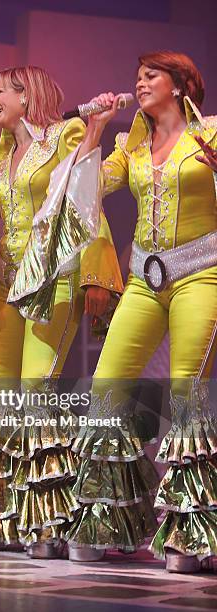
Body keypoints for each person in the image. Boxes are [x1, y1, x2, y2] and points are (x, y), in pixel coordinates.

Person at [0, 66, 123, 558]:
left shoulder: (66, 134)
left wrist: (96, 273)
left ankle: (48, 521)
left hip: (52, 281)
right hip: (4, 285)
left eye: (0, 92)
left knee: (36, 392)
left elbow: (87, 199)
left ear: (25, 94)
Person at [65, 51, 217, 573]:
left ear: (180, 86)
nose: (140, 83)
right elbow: (85, 193)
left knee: (185, 392)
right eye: (137, 76)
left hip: (201, 271)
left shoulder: (212, 133)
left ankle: (191, 530)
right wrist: (96, 128)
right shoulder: (132, 146)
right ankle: (108, 518)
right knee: (108, 385)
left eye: (151, 75)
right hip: (143, 279)